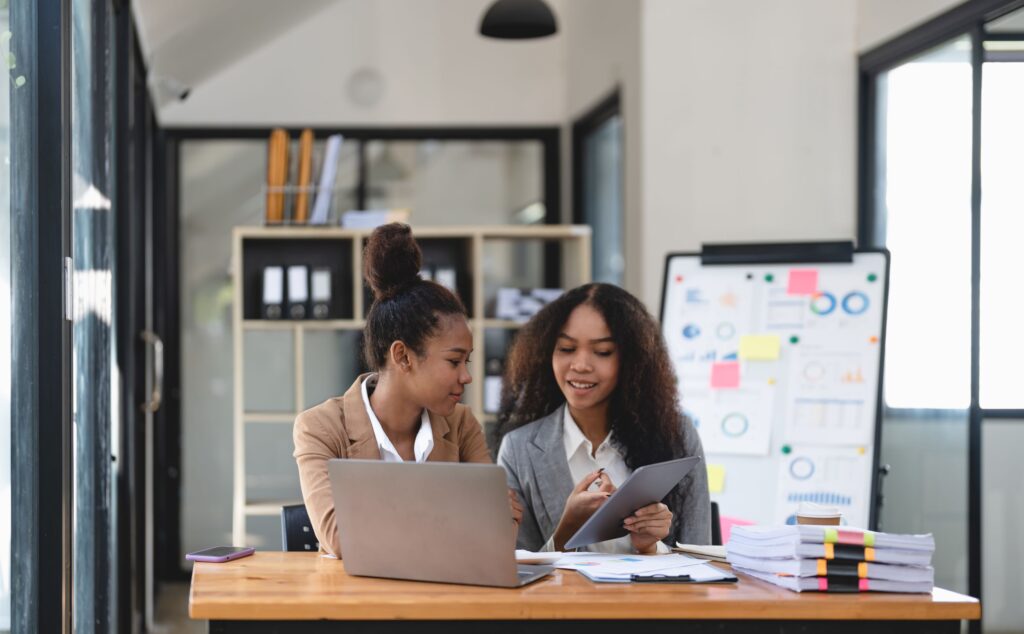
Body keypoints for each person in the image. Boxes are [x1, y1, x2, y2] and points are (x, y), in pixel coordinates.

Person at [293, 223, 521, 557]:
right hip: (358, 603)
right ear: (403, 356)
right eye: (454, 361)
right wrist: (463, 517)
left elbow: (499, 530)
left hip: (445, 599)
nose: (467, 377)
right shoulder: (321, 427)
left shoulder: (461, 425)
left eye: (467, 362)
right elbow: (341, 537)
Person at [496, 283, 710, 554]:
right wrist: (566, 532)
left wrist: (650, 548)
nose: (581, 365)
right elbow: (515, 570)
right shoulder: (519, 449)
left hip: (651, 598)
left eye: (602, 352)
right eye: (566, 348)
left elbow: (701, 559)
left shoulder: (677, 434)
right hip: (563, 599)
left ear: (632, 360)